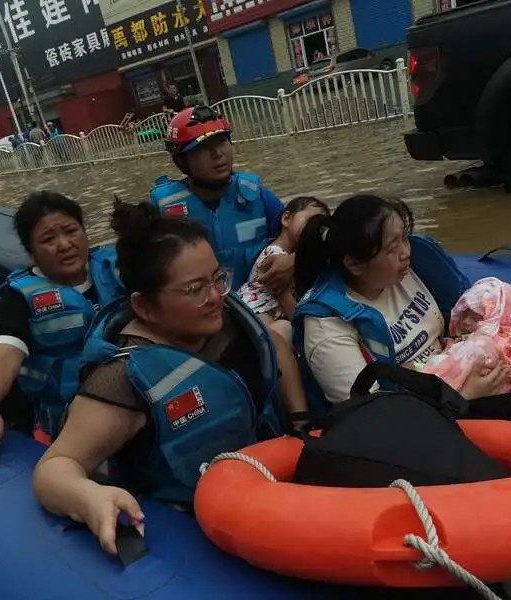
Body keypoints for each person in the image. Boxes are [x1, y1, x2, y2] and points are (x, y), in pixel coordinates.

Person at [32, 201, 311, 555]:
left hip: (273, 472)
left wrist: (301, 419)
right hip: (202, 522)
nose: (215, 297)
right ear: (144, 306)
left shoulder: (223, 318)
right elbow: (53, 468)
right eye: (195, 289)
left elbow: (272, 344)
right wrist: (88, 496)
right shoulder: (123, 383)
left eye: (216, 278)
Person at [292, 194, 511, 412]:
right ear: (354, 264)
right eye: (392, 248)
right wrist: (464, 397)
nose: (406, 252)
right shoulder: (328, 327)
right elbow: (377, 420)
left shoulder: (410, 270)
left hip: (458, 376)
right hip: (421, 417)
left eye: (404, 238)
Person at [0, 191, 125, 451]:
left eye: (71, 231)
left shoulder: (117, 267)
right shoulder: (21, 296)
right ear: (31, 252)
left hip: (133, 400)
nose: (64, 245)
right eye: (48, 239)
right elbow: (4, 352)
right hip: (71, 418)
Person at [150, 105, 293, 292]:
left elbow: (301, 236)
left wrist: (293, 261)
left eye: (222, 141)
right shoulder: (161, 210)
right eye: (203, 148)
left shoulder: (258, 196)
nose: (218, 154)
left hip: (259, 304)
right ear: (181, 161)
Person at [237, 196, 330, 340]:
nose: (313, 228)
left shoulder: (287, 255)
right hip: (255, 311)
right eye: (309, 221)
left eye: (319, 226)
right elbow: (291, 307)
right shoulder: (275, 256)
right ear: (286, 219)